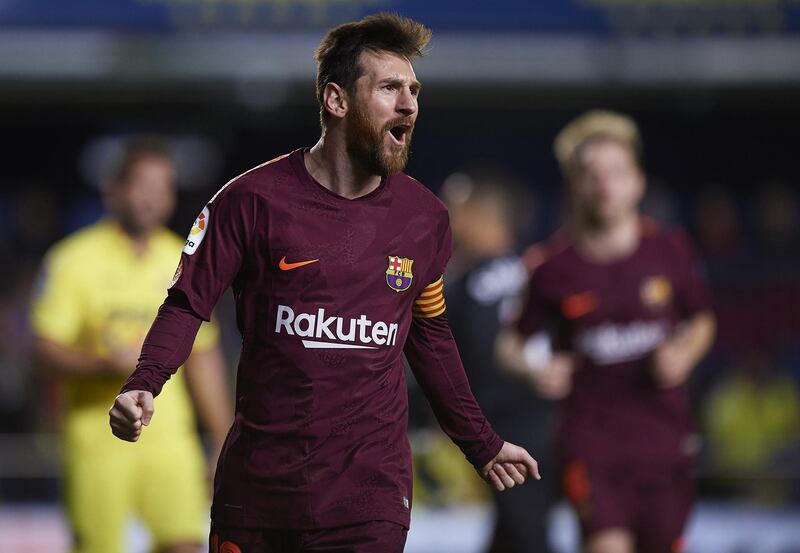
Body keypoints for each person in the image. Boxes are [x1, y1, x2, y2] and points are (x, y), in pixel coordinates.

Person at [108, 13, 540, 553]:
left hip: (369, 498)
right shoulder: (249, 201)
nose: (408, 104)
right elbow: (187, 302)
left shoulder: (424, 219)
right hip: (259, 492)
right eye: (389, 88)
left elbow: (430, 339)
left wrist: (483, 444)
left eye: (413, 90)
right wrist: (144, 381)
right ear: (336, 101)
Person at [497, 110, 715, 553]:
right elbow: (509, 344)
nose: (604, 185)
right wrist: (534, 367)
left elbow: (701, 319)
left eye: (616, 172)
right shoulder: (549, 268)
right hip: (593, 445)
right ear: (573, 186)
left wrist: (684, 354)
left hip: (665, 443)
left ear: (638, 181)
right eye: (590, 175)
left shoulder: (669, 251)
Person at [32, 137, 232, 553]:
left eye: (163, 188)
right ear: (114, 191)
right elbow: (45, 350)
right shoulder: (72, 260)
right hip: (96, 440)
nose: (152, 199)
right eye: (142, 186)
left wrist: (224, 441)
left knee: (183, 544)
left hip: (171, 441)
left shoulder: (183, 257)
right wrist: (103, 362)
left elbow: (204, 357)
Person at [442, 168, 556, 553]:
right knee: (515, 531)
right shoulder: (534, 271)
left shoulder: (462, 280)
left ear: (483, 216)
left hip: (507, 425)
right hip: (551, 417)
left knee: (526, 535)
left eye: (457, 209)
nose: (448, 218)